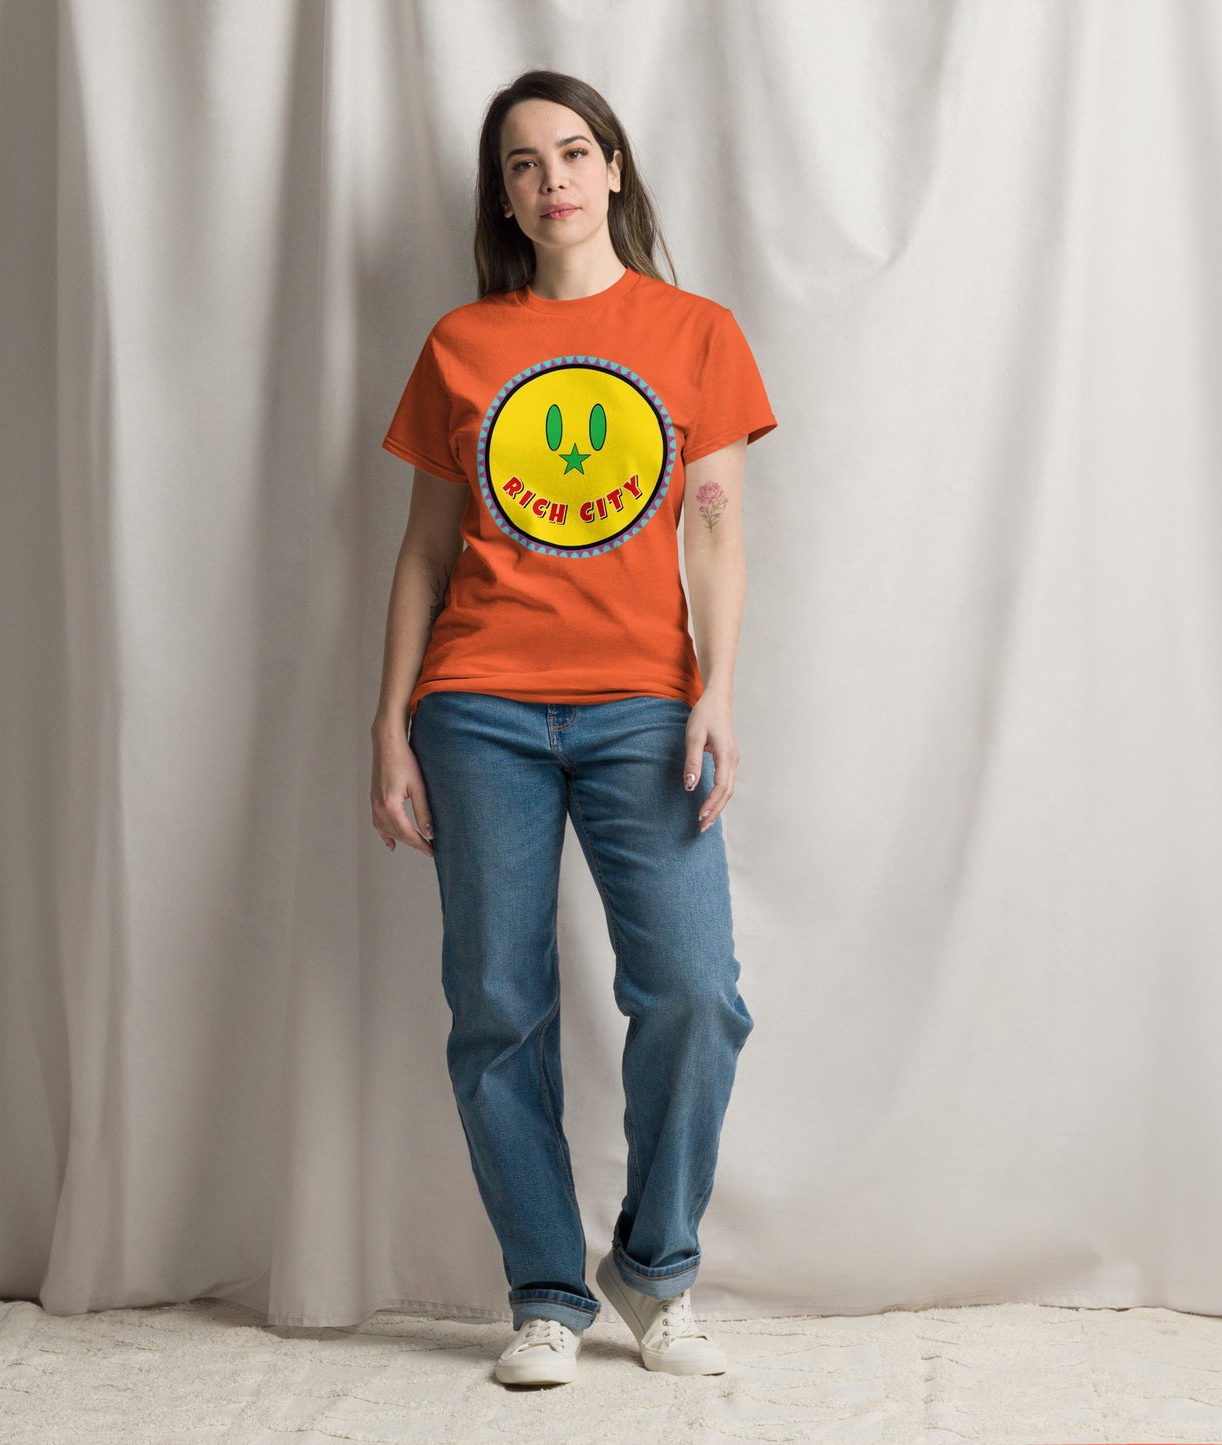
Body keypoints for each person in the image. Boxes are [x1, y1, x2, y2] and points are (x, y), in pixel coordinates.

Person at [370, 69, 777, 1389]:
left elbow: (714, 530)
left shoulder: (695, 334)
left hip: (642, 707)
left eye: (572, 152)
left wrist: (716, 688)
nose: (551, 179)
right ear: (504, 198)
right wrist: (390, 723)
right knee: (496, 1004)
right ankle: (545, 1290)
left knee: (695, 995)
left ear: (613, 169)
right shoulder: (461, 344)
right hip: (476, 708)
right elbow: (424, 552)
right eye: (521, 164)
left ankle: (653, 1267)